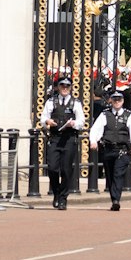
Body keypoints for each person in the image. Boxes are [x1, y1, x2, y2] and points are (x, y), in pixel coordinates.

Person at [89, 88, 131, 210]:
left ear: (123, 101)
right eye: (115, 99)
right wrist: (93, 140)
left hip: (122, 150)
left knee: (118, 173)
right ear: (111, 100)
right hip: (108, 149)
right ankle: (114, 198)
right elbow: (96, 128)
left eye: (119, 99)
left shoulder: (128, 115)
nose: (117, 102)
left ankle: (116, 199)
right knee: (110, 175)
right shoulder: (105, 114)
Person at [40, 74, 85, 210]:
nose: (65, 88)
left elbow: (81, 121)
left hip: (69, 138)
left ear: (70, 88)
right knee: (52, 168)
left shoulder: (75, 102)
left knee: (66, 169)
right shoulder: (51, 101)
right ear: (57, 87)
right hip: (55, 137)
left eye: (67, 86)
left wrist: (74, 124)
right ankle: (56, 192)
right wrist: (48, 121)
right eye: (62, 86)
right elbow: (43, 118)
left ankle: (63, 197)